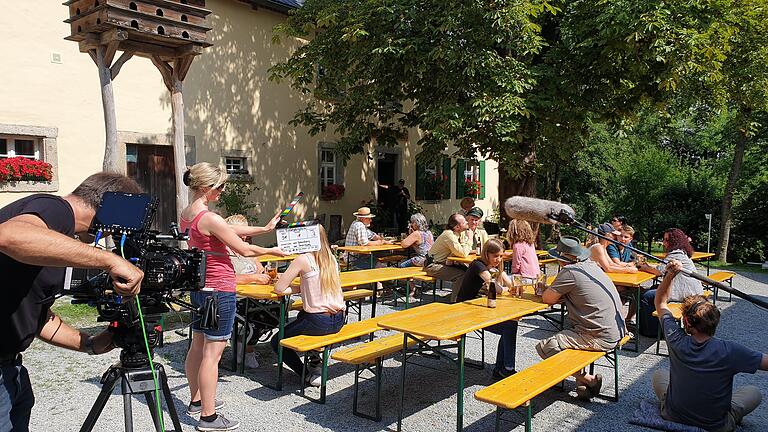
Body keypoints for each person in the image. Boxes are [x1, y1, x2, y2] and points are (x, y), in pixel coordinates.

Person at [0, 172, 145, 431]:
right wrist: (110, 260)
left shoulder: (54, 235)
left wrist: (89, 344)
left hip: (11, 368)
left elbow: (37, 314)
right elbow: (9, 236)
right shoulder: (56, 209)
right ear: (107, 209)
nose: (113, 232)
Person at [181, 162, 284, 431]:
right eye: (220, 186)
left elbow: (229, 231)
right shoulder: (210, 218)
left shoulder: (188, 213)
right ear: (205, 187)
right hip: (220, 290)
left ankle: (196, 400)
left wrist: (263, 228)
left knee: (198, 346)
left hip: (201, 288)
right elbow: (244, 250)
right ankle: (208, 416)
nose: (223, 190)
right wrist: (274, 250)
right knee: (212, 355)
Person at [652, 259, 766, 431]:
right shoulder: (731, 350)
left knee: (659, 374)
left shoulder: (675, 339)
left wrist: (670, 275)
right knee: (754, 392)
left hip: (672, 414)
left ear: (686, 321)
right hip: (716, 425)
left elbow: (660, 302)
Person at [537, 236, 626, 400]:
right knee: (573, 333)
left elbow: (548, 299)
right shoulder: (592, 266)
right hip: (618, 330)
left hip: (601, 336)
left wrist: (546, 289)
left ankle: (589, 380)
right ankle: (582, 384)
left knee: (545, 347)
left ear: (561, 259)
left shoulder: (570, 272)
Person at [271, 224, 345, 387]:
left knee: (277, 340)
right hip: (339, 318)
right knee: (302, 317)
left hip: (319, 321)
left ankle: (305, 373)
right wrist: (303, 287)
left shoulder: (303, 259)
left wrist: (297, 287)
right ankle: (315, 362)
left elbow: (279, 288)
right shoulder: (331, 257)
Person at [455, 239, 520, 379]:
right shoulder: (478, 265)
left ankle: (504, 369)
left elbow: (510, 284)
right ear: (486, 254)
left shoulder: (494, 266)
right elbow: (495, 288)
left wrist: (512, 286)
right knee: (509, 326)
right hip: (463, 311)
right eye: (495, 256)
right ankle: (505, 369)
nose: (498, 259)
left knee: (511, 324)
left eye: (501, 256)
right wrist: (507, 288)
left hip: (479, 308)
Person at [225, 214, 272, 370]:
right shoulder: (224, 252)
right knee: (260, 315)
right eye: (242, 232)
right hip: (235, 297)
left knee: (277, 311)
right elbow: (229, 277)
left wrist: (264, 273)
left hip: (255, 294)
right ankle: (246, 349)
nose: (245, 235)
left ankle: (243, 342)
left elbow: (260, 267)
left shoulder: (245, 249)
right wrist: (254, 278)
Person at [638, 228, 703, 337]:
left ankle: (652, 331)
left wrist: (642, 267)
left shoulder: (676, 254)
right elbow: (662, 267)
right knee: (655, 286)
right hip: (691, 291)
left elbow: (659, 271)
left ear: (674, 241)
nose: (663, 242)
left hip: (686, 295)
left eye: (666, 240)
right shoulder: (682, 252)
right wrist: (648, 266)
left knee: (646, 296)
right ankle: (656, 325)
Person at [424, 213, 472, 302]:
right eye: (464, 221)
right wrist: (470, 239)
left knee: (469, 270)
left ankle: (468, 296)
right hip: (432, 265)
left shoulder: (457, 233)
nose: (466, 222)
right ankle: (455, 301)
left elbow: (461, 250)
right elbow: (463, 253)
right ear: (457, 227)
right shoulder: (448, 235)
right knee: (461, 274)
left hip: (442, 263)